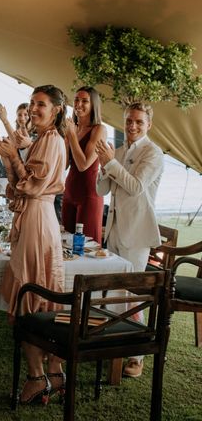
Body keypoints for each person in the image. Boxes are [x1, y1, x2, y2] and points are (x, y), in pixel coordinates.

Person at [0, 85, 66, 405]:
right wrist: (10, 158)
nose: (34, 109)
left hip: (37, 222)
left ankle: (37, 377)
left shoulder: (51, 141)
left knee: (29, 298)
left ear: (57, 110)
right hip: (38, 218)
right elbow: (22, 183)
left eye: (41, 105)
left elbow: (31, 187)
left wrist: (10, 156)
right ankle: (55, 373)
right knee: (40, 296)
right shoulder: (44, 140)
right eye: (32, 103)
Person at [95, 102, 164, 378]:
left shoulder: (154, 153)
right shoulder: (119, 151)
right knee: (112, 291)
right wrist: (102, 166)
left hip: (136, 233)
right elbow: (102, 189)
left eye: (138, 121)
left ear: (149, 124)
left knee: (133, 294)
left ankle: (137, 355)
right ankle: (113, 343)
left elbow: (135, 188)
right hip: (113, 229)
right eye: (129, 121)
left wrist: (111, 162)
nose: (132, 126)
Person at [62, 87, 106, 244]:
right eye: (76, 100)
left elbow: (83, 165)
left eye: (84, 101)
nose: (78, 104)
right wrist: (67, 139)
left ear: (93, 105)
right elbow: (65, 165)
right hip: (69, 191)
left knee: (88, 246)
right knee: (66, 243)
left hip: (89, 195)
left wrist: (72, 136)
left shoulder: (99, 129)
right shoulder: (73, 128)